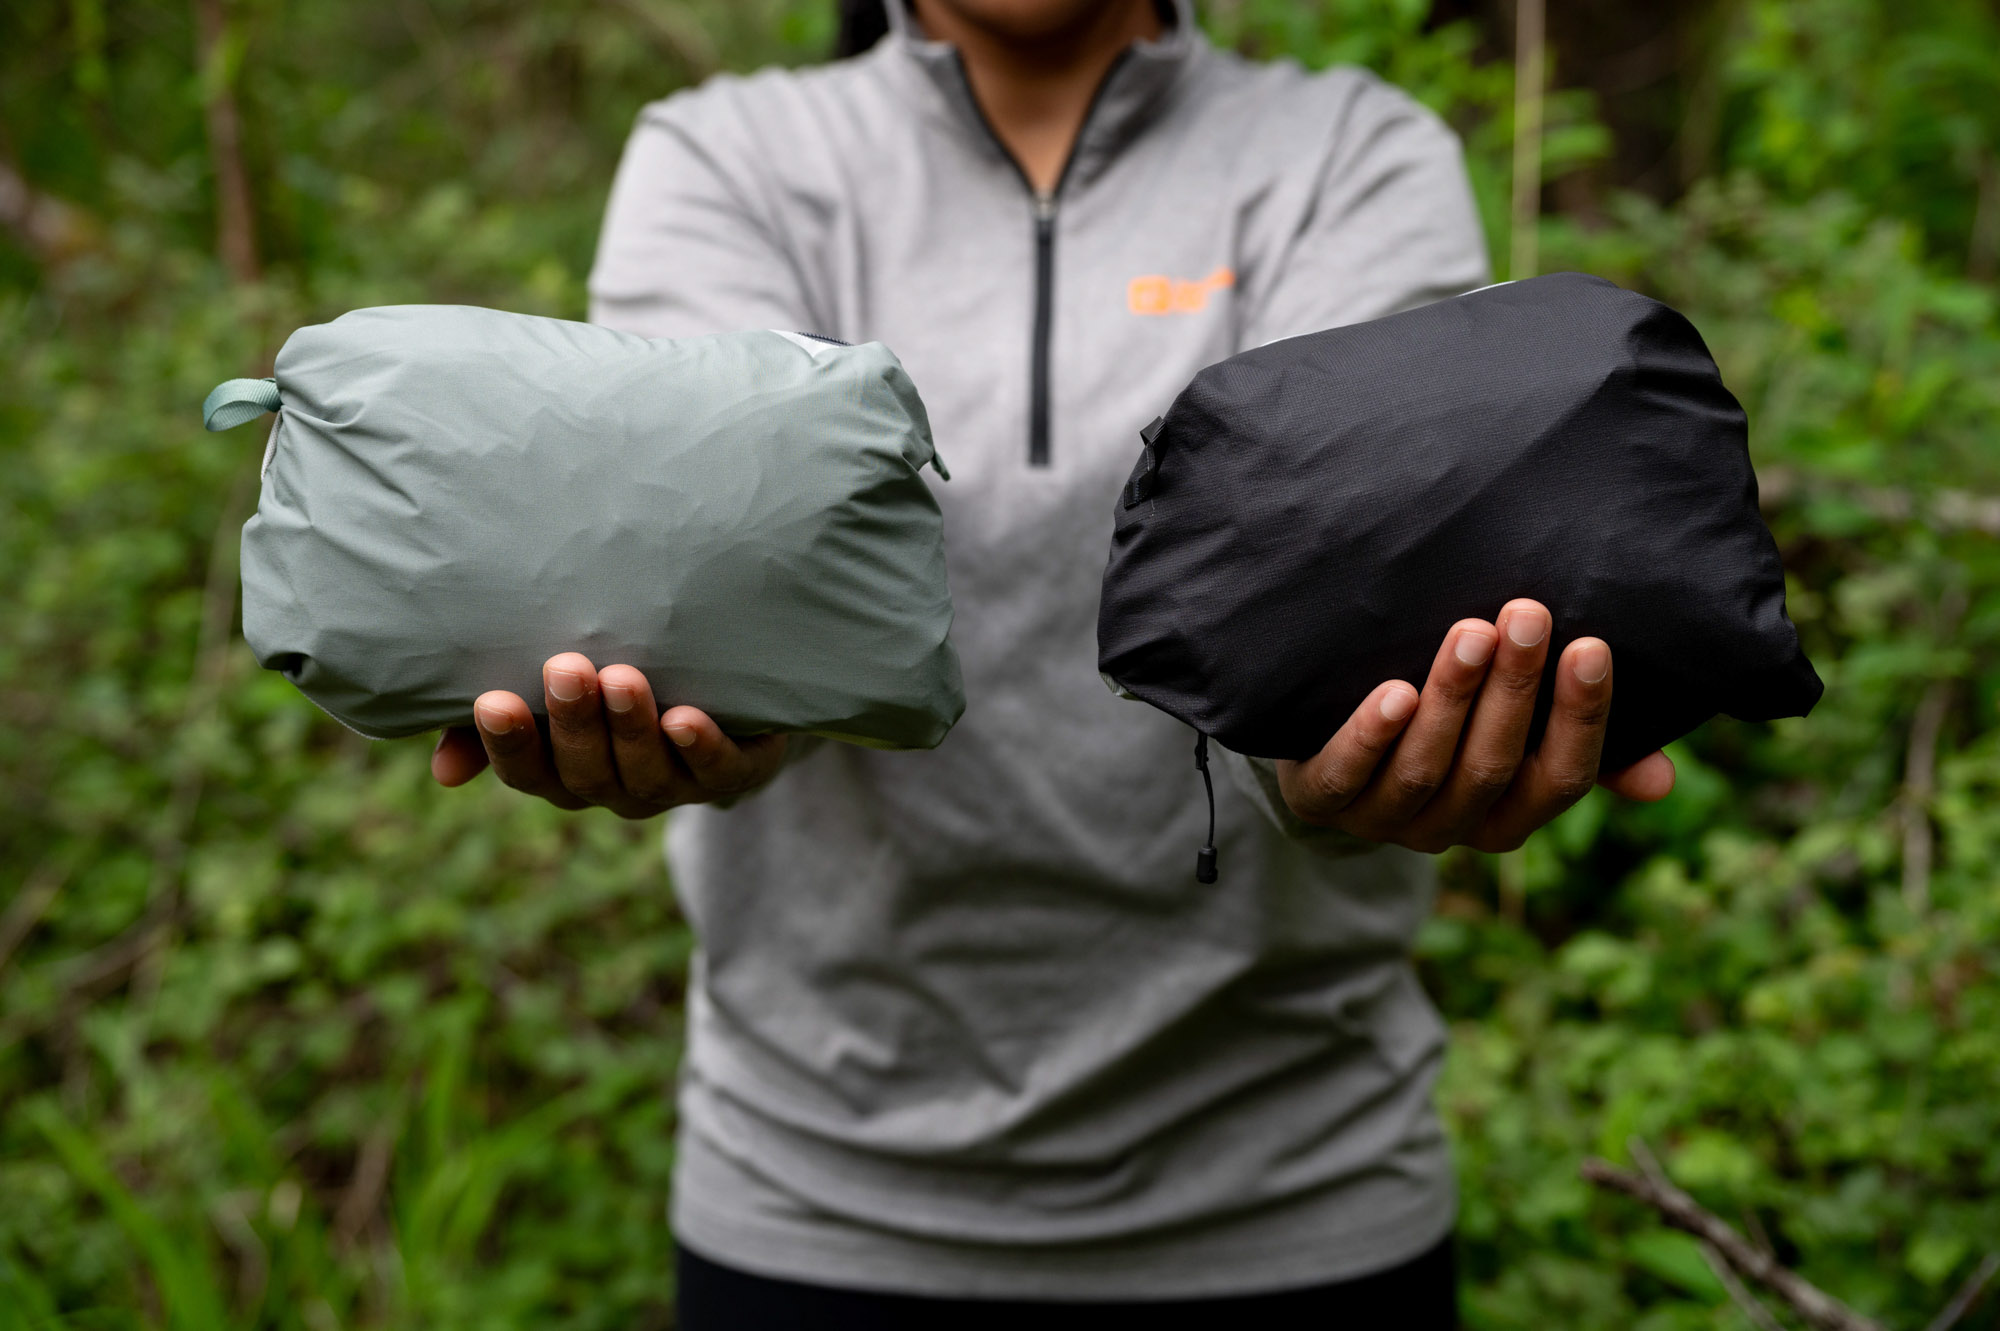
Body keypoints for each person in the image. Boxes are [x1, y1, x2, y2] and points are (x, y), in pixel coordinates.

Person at [430, 0, 1677, 1324]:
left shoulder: (1348, 150)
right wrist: (717, 724)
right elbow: (706, 577)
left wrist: (1332, 771)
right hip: (815, 1205)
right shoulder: (729, 156)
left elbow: (1363, 574)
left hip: (1301, 1200)